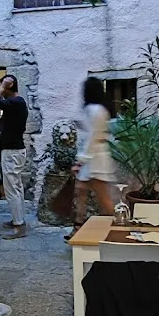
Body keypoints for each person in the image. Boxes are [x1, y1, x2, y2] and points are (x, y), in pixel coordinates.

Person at [67, 77, 117, 240]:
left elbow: (93, 138)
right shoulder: (95, 109)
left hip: (96, 159)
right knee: (80, 192)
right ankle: (78, 227)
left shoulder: (96, 110)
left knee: (103, 198)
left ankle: (119, 228)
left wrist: (80, 161)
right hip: (92, 157)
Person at [0, 74, 28, 239]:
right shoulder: (16, 104)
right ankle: (18, 220)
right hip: (15, 149)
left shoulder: (16, 101)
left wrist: (3, 85)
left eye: (5, 87)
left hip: (12, 152)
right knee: (16, 188)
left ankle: (19, 226)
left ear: (10, 86)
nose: (2, 91)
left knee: (12, 189)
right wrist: (2, 133)